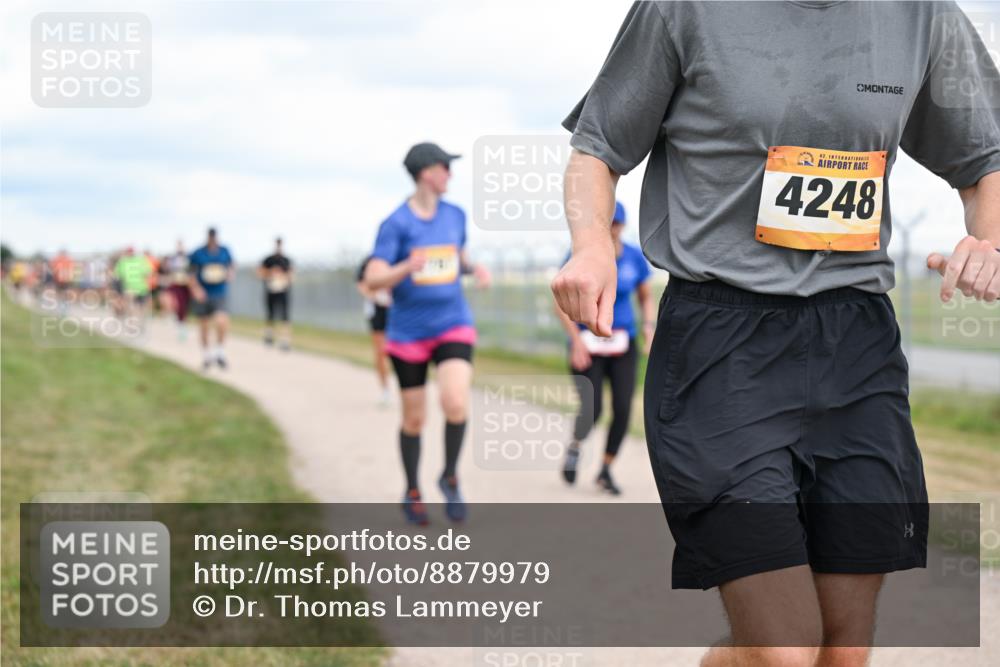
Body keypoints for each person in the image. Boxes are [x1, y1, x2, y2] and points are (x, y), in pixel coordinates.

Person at [551, 2, 1000, 665]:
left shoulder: (922, 13)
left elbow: (984, 159)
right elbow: (597, 149)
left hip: (857, 345)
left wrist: (990, 241)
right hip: (720, 342)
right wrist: (590, 244)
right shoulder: (686, 9)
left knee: (843, 650)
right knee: (783, 651)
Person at [364, 142, 491, 526]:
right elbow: (373, 279)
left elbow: (458, 257)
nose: (450, 175)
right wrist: (406, 266)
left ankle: (449, 476)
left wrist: (474, 269)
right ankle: (412, 489)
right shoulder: (396, 224)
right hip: (408, 333)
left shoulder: (455, 215)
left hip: (453, 322)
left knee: (455, 402)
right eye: (444, 167)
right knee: (414, 419)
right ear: (425, 173)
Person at [556, 201, 653, 496]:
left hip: (622, 344)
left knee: (623, 409)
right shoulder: (580, 257)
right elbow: (561, 302)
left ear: (622, 226)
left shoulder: (634, 258)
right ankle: (575, 447)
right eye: (607, 224)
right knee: (592, 408)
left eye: (617, 224)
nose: (612, 230)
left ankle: (606, 469)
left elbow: (645, 298)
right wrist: (575, 342)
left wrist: (649, 327)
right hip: (587, 345)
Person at [188, 227, 234, 370]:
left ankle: (220, 351)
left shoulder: (225, 251)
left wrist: (229, 274)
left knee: (222, 321)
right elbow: (190, 274)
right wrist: (196, 289)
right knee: (204, 325)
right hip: (203, 294)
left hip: (219, 293)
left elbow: (231, 266)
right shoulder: (198, 253)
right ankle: (207, 355)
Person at [356, 254, 393, 406]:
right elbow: (361, 285)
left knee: (402, 350)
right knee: (380, 352)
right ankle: (385, 390)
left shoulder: (397, 256)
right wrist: (377, 297)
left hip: (398, 310)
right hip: (377, 311)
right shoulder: (368, 262)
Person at [258, 237, 293, 351]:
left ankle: (285, 340)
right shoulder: (268, 260)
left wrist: (283, 277)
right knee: (270, 314)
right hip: (271, 290)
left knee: (285, 316)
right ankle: (269, 336)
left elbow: (291, 275)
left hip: (283, 290)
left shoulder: (286, 260)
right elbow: (260, 273)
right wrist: (271, 272)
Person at [112, 246, 153, 326]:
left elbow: (148, 273)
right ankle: (133, 322)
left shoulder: (140, 261)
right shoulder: (123, 262)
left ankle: (139, 322)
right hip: (130, 288)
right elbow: (117, 275)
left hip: (142, 288)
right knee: (131, 305)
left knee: (141, 307)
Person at [164, 241, 192, 341]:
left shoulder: (188, 258)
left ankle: (182, 328)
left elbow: (192, 271)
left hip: (185, 286)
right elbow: (169, 270)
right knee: (169, 299)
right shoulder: (173, 259)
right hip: (175, 284)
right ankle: (173, 315)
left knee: (183, 308)